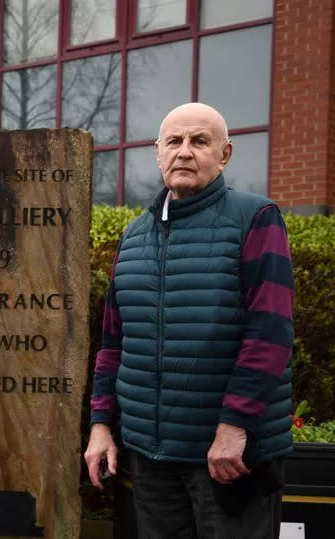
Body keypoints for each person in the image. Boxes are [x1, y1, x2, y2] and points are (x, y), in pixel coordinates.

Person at [84, 103, 294, 538]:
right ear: (157, 152)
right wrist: (102, 425)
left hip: (228, 460)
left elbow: (269, 336)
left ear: (225, 155)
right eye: (174, 142)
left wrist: (234, 428)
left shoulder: (255, 218)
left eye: (199, 141)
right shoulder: (133, 236)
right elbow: (112, 346)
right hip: (150, 458)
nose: (184, 151)